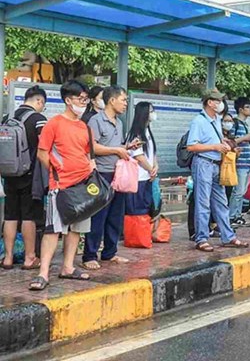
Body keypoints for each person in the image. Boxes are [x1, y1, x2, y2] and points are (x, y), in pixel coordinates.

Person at [30, 80, 94, 291]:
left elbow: (85, 152)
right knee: (53, 229)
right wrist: (57, 171)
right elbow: (42, 153)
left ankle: (67, 267)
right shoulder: (54, 123)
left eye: (86, 99)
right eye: (80, 99)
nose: (83, 103)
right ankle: (43, 272)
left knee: (76, 228)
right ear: (68, 100)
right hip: (60, 186)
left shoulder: (84, 126)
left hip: (82, 185)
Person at [186, 89, 248, 252]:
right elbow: (191, 146)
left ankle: (228, 236)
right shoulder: (198, 121)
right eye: (218, 101)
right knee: (203, 202)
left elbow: (219, 140)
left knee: (221, 201)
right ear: (210, 103)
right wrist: (214, 147)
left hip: (216, 164)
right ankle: (201, 238)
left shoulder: (216, 120)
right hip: (203, 163)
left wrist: (228, 147)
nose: (221, 104)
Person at [83, 86, 137, 270]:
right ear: (111, 100)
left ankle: (110, 252)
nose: (125, 104)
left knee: (115, 215)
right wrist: (116, 150)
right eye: (123, 100)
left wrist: (126, 147)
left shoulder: (119, 123)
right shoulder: (96, 121)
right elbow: (93, 147)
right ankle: (89, 255)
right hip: (101, 174)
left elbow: (116, 146)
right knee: (98, 215)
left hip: (118, 174)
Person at [1, 86, 47, 271]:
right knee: (29, 215)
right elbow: (45, 145)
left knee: (11, 215)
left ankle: (8, 258)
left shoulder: (7, 118)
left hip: (9, 173)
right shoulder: (38, 119)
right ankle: (30, 258)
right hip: (31, 175)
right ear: (39, 101)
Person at [125, 102, 158, 216]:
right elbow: (139, 156)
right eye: (151, 111)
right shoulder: (135, 133)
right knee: (137, 210)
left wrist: (155, 166)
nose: (153, 114)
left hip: (147, 176)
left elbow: (152, 152)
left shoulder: (147, 131)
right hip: (138, 178)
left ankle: (143, 232)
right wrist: (150, 169)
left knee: (146, 209)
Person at [230, 97, 250, 227]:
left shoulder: (245, 125)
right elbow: (231, 141)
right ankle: (231, 216)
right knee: (238, 191)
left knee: (242, 190)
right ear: (240, 109)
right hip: (239, 162)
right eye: (248, 107)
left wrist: (249, 139)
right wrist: (245, 138)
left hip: (247, 162)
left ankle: (238, 215)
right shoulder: (235, 123)